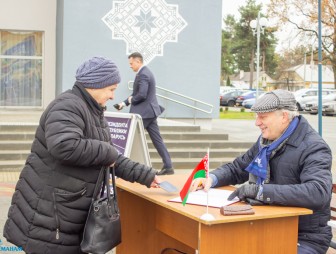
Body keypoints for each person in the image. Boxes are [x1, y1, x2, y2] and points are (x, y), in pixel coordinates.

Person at [3, 56, 162, 254]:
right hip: (49, 218)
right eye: (111, 89)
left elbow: (109, 157)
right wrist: (108, 151)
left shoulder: (92, 110)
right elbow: (65, 146)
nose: (113, 96)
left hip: (65, 214)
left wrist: (146, 175)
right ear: (96, 85)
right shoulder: (67, 105)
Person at [190, 89, 332, 254]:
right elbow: (238, 168)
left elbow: (318, 192)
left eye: (262, 117)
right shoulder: (266, 142)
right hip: (266, 225)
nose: (257, 123)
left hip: (303, 237)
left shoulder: (314, 147)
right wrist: (211, 178)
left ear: (284, 117)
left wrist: (261, 192)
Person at [117, 52, 174, 175]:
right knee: (157, 140)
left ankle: (126, 168)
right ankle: (168, 166)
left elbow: (141, 95)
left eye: (131, 63)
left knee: (130, 139)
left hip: (145, 113)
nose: (130, 66)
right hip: (149, 112)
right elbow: (137, 94)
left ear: (138, 61)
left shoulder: (143, 74)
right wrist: (123, 103)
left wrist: (131, 100)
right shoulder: (144, 73)